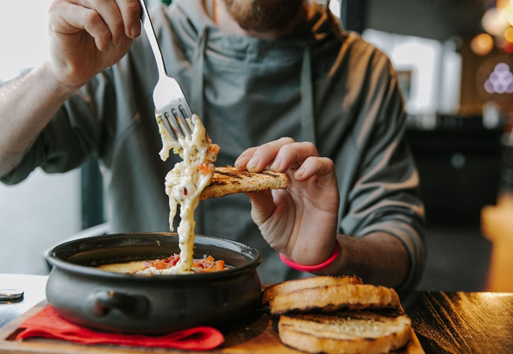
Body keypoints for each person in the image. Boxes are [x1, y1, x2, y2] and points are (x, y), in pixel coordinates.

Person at [0, 0, 426, 287]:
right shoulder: (130, 44)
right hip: (150, 324)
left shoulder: (365, 71)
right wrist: (54, 76)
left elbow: (403, 248)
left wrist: (327, 256)